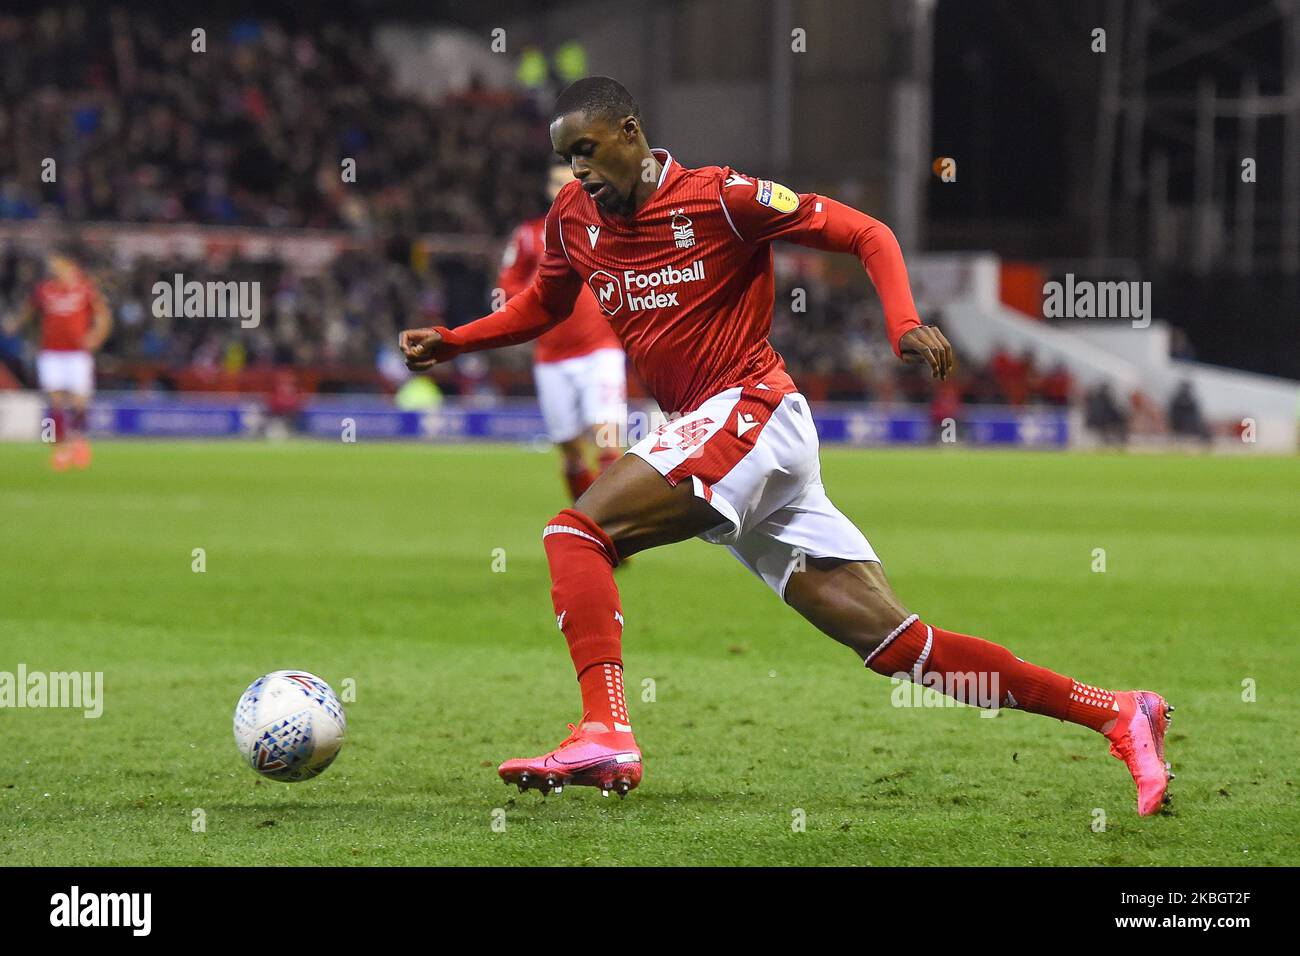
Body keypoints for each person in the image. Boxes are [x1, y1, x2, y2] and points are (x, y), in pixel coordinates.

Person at [400, 77, 1173, 815]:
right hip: (726, 436)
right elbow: (545, 299)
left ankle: (605, 732)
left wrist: (901, 322)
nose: (582, 172)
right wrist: (458, 341)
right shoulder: (574, 217)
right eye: (571, 158)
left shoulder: (722, 198)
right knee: (897, 644)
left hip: (754, 410)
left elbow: (865, 231)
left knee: (576, 531)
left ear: (631, 134)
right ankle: (1119, 712)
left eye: (592, 151)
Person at [497, 163, 626, 500]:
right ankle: (588, 521)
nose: (564, 189)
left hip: (601, 350)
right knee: (570, 452)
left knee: (607, 441)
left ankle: (614, 530)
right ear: (548, 189)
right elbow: (506, 286)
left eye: (571, 183)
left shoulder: (608, 227)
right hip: (551, 356)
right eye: (557, 183)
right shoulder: (528, 235)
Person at [6, 250, 112, 469]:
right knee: (53, 401)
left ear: (70, 266)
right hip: (51, 353)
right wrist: (15, 325)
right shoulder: (44, 290)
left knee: (80, 403)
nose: (55, 270)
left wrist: (96, 335)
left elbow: (103, 315)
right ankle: (55, 446)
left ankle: (78, 441)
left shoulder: (85, 289)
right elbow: (29, 311)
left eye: (59, 265)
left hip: (77, 354)